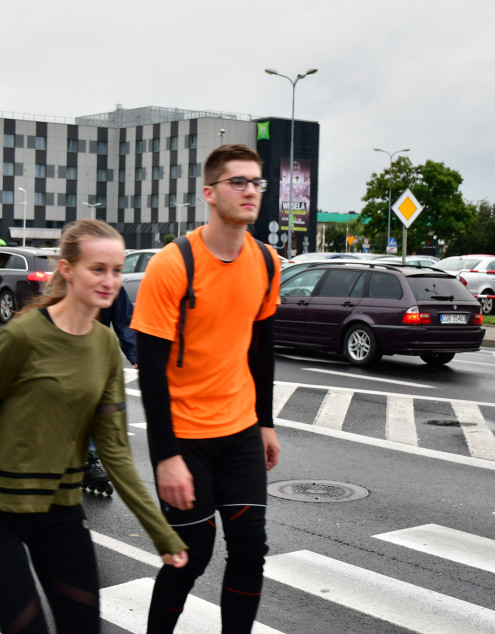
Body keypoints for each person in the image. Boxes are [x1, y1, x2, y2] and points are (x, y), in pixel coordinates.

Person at [0, 219, 188, 634]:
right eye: (97, 269)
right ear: (67, 269)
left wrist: (161, 534)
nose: (109, 280)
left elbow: (116, 451)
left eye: (117, 270)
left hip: (60, 512)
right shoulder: (22, 337)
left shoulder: (106, 347)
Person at [131, 144, 282, 633]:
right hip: (184, 435)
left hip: (239, 431)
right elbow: (150, 369)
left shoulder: (267, 262)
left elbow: (261, 348)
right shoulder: (173, 265)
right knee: (191, 554)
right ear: (210, 193)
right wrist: (165, 455)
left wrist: (265, 422)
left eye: (255, 182)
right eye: (237, 182)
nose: (249, 191)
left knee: (249, 546)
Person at [83, 285, 138, 495]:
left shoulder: (112, 286)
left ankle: (89, 458)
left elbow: (125, 322)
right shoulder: (66, 283)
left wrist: (136, 355)